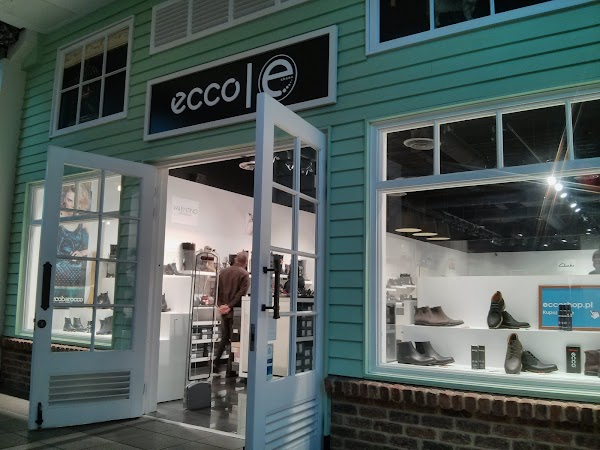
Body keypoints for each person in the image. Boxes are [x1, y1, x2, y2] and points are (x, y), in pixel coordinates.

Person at [213, 251, 250, 374]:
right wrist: (230, 306)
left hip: (224, 311)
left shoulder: (223, 272)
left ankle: (216, 362)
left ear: (235, 260)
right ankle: (231, 369)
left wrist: (221, 305)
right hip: (236, 311)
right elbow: (241, 294)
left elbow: (216, 290)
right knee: (236, 340)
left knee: (224, 337)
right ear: (246, 262)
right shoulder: (244, 274)